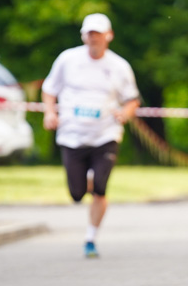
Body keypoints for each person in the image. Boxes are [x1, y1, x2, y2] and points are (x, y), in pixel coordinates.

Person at [42, 13, 140, 258]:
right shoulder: (67, 59)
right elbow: (49, 90)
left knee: (100, 188)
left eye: (97, 34)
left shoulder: (119, 66)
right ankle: (85, 180)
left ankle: (90, 238)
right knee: (76, 194)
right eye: (89, 34)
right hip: (72, 135)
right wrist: (49, 113)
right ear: (83, 36)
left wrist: (125, 114)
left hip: (105, 134)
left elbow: (132, 99)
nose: (93, 38)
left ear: (109, 36)